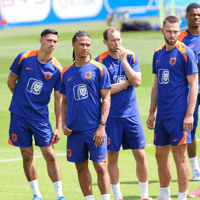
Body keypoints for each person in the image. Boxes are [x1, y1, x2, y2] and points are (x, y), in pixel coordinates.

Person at [7, 29, 66, 200]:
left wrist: (57, 127)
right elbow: (11, 82)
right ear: (41, 40)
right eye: (49, 40)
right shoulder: (24, 57)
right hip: (19, 116)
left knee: (50, 154)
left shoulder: (57, 69)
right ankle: (36, 194)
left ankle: (59, 195)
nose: (52, 44)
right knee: (26, 154)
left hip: (40, 119)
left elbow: (58, 100)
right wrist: (21, 101)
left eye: (55, 41)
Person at [96, 27, 152, 200]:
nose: (117, 43)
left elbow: (137, 81)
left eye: (119, 39)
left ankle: (144, 195)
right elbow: (104, 90)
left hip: (132, 115)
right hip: (111, 117)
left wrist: (124, 61)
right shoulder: (100, 61)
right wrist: (126, 83)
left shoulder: (131, 56)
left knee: (141, 155)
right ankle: (118, 196)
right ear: (105, 42)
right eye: (113, 40)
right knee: (112, 156)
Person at [146, 16, 198, 200]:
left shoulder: (186, 52)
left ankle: (182, 197)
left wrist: (189, 114)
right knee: (160, 156)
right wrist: (152, 111)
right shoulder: (157, 54)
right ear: (162, 30)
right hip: (162, 115)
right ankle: (164, 195)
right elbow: (156, 85)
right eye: (169, 31)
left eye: (176, 31)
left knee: (179, 157)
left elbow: (194, 85)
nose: (173, 35)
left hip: (179, 114)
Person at [60, 31, 111, 200]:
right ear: (73, 45)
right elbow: (64, 101)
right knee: (80, 167)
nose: (85, 48)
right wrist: (64, 124)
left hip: (95, 128)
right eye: (82, 44)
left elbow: (106, 98)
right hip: (74, 131)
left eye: (88, 45)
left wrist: (102, 126)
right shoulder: (65, 72)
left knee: (100, 166)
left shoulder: (99, 68)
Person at [178, 2, 200, 181]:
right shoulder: (180, 39)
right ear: (187, 17)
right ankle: (195, 169)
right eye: (193, 15)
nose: (196, 18)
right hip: (191, 90)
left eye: (199, 15)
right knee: (190, 128)